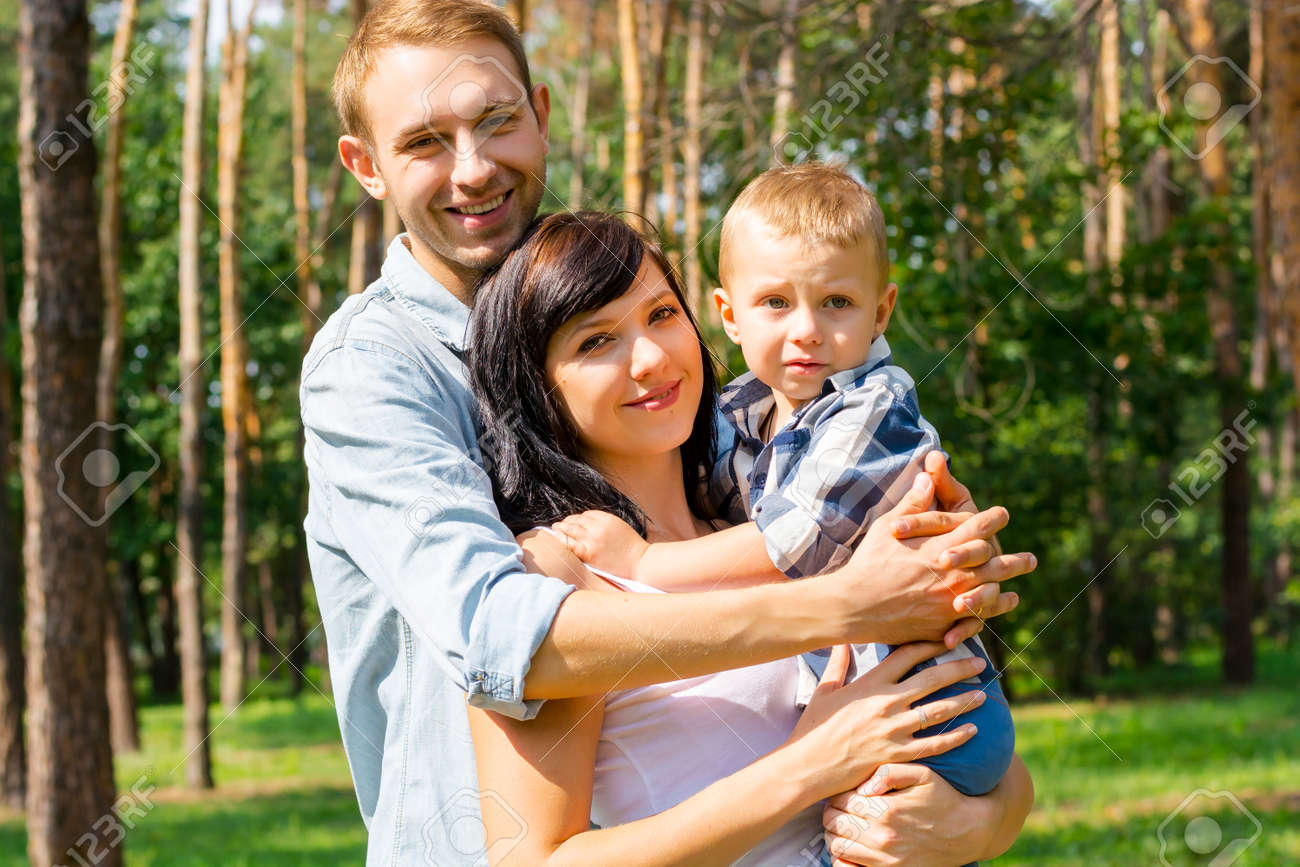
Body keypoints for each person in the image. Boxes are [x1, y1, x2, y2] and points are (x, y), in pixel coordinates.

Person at [302, 1, 1035, 862]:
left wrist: (976, 818)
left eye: (497, 121)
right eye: (424, 141)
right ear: (366, 165)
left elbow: (961, 728)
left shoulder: (739, 487)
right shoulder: (377, 377)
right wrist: (842, 608)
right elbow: (508, 632)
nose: (472, 169)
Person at [464, 209, 998, 865]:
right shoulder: (547, 576)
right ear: (536, 387)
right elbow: (530, 860)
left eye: (661, 315)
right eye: (596, 341)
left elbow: (992, 755)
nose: (653, 358)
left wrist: (975, 822)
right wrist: (811, 765)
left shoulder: (768, 523)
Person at [554, 164, 1013, 808]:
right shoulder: (742, 412)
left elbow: (789, 541)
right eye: (775, 302)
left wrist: (643, 561)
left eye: (837, 303)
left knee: (875, 834)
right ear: (729, 315)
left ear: (881, 311)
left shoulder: (874, 407)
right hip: (867, 701)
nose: (805, 329)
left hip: (933, 702)